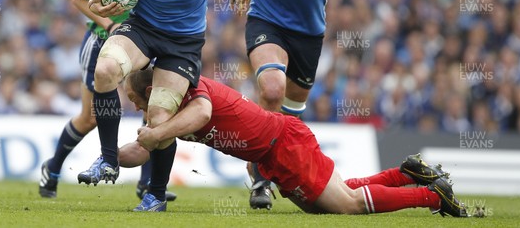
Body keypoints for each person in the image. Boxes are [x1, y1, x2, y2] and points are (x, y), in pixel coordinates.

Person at [78, 0, 253, 210]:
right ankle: (108, 159)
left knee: (160, 117)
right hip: (143, 28)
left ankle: (155, 195)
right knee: (105, 70)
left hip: (183, 41)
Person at [116, 69, 467, 217]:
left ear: (150, 90)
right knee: (327, 202)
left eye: (133, 98)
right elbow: (139, 150)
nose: (133, 106)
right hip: (273, 151)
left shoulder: (188, 92)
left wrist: (157, 135)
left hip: (282, 143)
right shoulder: (163, 110)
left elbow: (202, 114)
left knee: (346, 206)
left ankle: (433, 195)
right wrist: (108, 157)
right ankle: (404, 174)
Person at [244, 0, 371, 208]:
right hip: (265, 22)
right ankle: (260, 179)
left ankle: (265, 163)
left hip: (309, 35)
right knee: (271, 89)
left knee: (290, 116)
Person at [39, 0, 174, 201]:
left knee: (154, 113)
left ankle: (148, 185)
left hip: (145, 44)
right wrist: (112, 25)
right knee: (90, 117)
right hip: (103, 41)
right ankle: (52, 168)